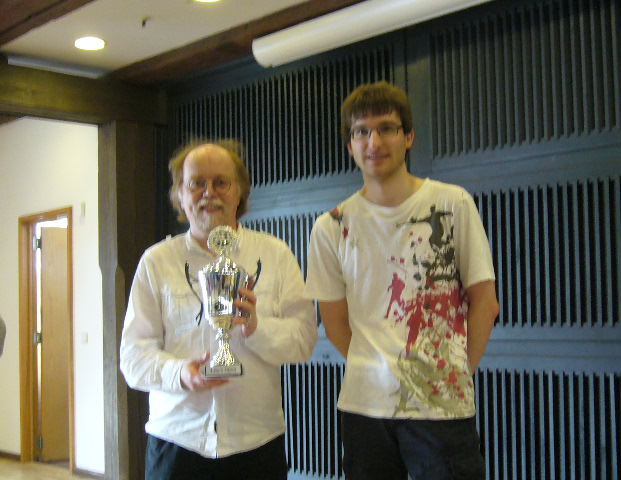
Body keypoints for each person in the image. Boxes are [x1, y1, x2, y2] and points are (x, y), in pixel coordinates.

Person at [305, 82, 499, 480]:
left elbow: (485, 301)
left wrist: (458, 371)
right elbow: (335, 323)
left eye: (386, 128)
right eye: (361, 131)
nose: (373, 141)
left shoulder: (452, 203)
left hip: (441, 404)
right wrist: (380, 369)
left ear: (408, 136)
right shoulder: (331, 226)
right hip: (364, 406)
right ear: (350, 145)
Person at [120, 139, 317, 480]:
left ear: (239, 192)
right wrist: (180, 373)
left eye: (221, 182)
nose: (208, 193)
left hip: (256, 443)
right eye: (196, 183)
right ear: (180, 195)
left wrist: (256, 327)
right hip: (177, 442)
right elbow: (133, 358)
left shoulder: (276, 255)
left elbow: (303, 342)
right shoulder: (156, 262)